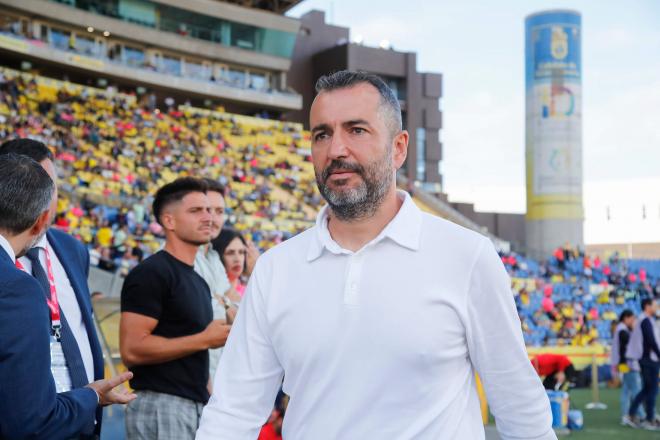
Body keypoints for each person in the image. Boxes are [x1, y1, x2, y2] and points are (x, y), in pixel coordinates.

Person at [196, 70, 555, 439]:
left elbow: (516, 400)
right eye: (322, 134)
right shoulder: (276, 268)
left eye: (357, 130)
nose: (336, 149)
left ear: (399, 148)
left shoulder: (466, 256)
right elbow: (234, 410)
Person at [0, 153, 135, 438]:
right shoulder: (17, 288)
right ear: (39, 224)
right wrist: (91, 397)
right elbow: (30, 421)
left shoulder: (71, 252)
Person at [120, 177, 231, 439]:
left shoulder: (198, 282)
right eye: (196, 211)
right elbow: (132, 349)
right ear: (168, 221)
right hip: (162, 405)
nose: (208, 218)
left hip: (193, 406)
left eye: (210, 210)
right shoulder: (152, 273)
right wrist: (204, 339)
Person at [194, 178, 237, 378]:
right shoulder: (180, 260)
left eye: (220, 212)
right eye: (206, 210)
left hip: (217, 374)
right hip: (196, 380)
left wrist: (225, 302)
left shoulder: (212, 256)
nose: (213, 219)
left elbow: (236, 306)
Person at [627, 298, 660, 430]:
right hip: (649, 360)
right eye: (654, 304)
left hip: (647, 359)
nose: (656, 306)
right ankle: (649, 418)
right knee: (652, 389)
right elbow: (651, 340)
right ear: (647, 306)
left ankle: (633, 414)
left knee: (648, 388)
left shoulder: (646, 320)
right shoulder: (645, 321)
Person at [614, 310, 644, 426]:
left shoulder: (621, 329)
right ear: (626, 318)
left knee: (626, 390)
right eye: (632, 318)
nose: (633, 321)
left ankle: (625, 415)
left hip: (624, 364)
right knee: (636, 389)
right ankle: (641, 414)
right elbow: (633, 343)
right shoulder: (623, 330)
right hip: (627, 364)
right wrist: (635, 329)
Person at [213, 228, 249, 296]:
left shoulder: (250, 293)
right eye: (230, 253)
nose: (237, 259)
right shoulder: (208, 292)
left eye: (241, 252)